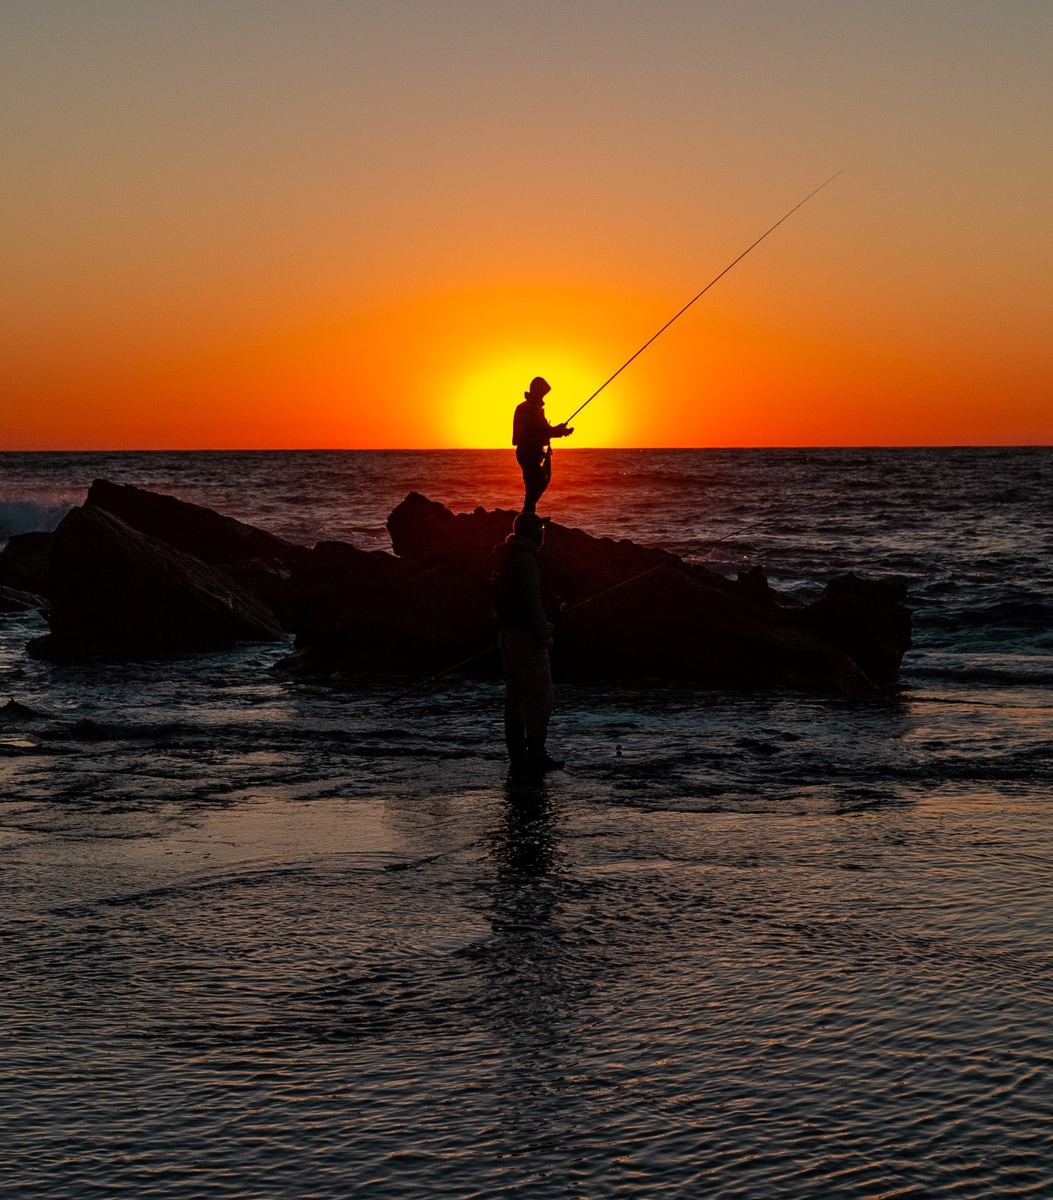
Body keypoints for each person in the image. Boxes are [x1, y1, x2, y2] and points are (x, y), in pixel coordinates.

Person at [494, 511, 565, 777]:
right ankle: (535, 753)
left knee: (515, 698)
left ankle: (517, 756)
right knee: (540, 698)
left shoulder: (508, 555)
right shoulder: (525, 560)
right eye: (540, 529)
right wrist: (544, 634)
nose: (543, 532)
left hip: (507, 635)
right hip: (525, 638)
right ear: (532, 533)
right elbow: (531, 602)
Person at [512, 377, 573, 513]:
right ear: (537, 391)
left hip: (531, 452)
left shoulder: (533, 407)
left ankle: (528, 513)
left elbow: (543, 430)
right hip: (528, 452)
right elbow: (541, 430)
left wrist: (560, 431)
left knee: (535, 485)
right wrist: (558, 430)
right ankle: (527, 515)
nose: (543, 396)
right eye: (542, 393)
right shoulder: (529, 408)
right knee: (538, 482)